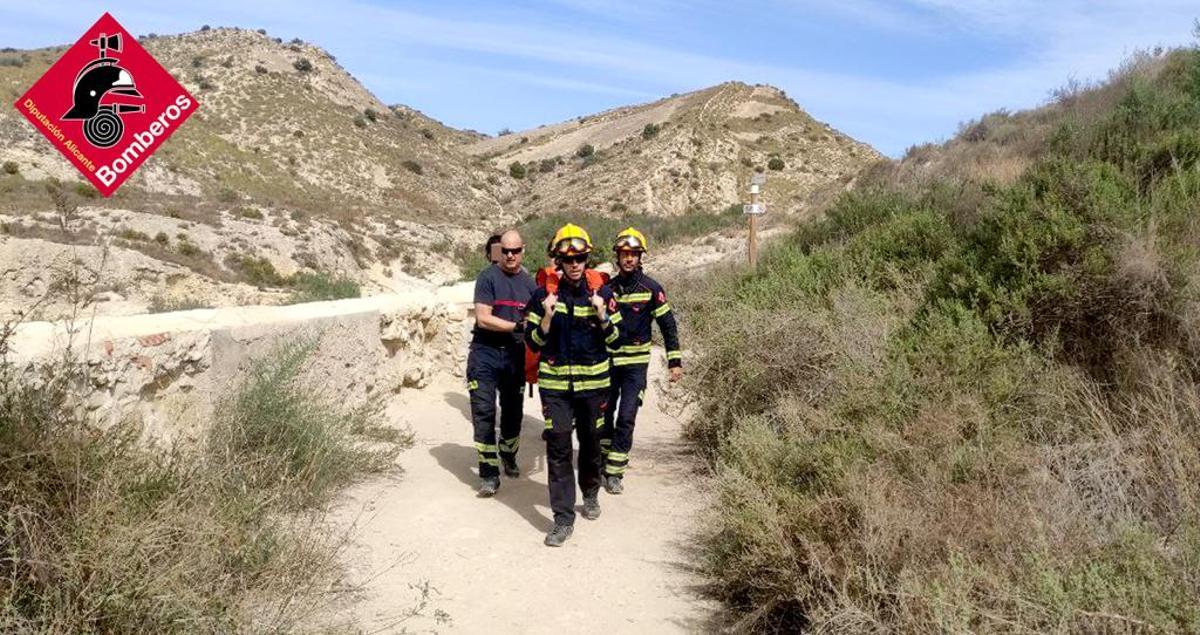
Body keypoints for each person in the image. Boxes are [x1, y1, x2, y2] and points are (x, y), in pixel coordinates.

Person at [524, 224, 622, 547]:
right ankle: (563, 519)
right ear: (558, 262)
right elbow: (533, 343)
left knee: (591, 443)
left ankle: (591, 491)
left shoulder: (604, 295)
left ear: (587, 258)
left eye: (580, 258)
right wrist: (547, 318)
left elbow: (616, 342)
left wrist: (603, 317)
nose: (575, 264)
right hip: (556, 389)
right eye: (568, 260)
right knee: (558, 448)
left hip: (594, 387)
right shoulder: (542, 297)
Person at [600, 228, 682, 495]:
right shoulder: (606, 290)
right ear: (617, 257)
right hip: (608, 364)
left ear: (640, 257)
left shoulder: (652, 289)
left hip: (635, 367)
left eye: (633, 254)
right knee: (603, 415)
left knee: (626, 417)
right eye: (624, 254)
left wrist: (674, 361)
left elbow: (668, 325)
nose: (629, 259)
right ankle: (603, 458)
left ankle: (615, 471)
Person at [468, 230, 536, 497]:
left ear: (523, 251)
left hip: (514, 356)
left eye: (515, 251)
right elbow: (484, 318)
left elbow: (539, 318)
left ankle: (508, 454)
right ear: (499, 252)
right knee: (483, 413)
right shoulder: (487, 277)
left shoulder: (529, 284)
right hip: (484, 353)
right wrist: (517, 325)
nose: (510, 255)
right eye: (505, 251)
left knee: (512, 414)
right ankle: (488, 473)